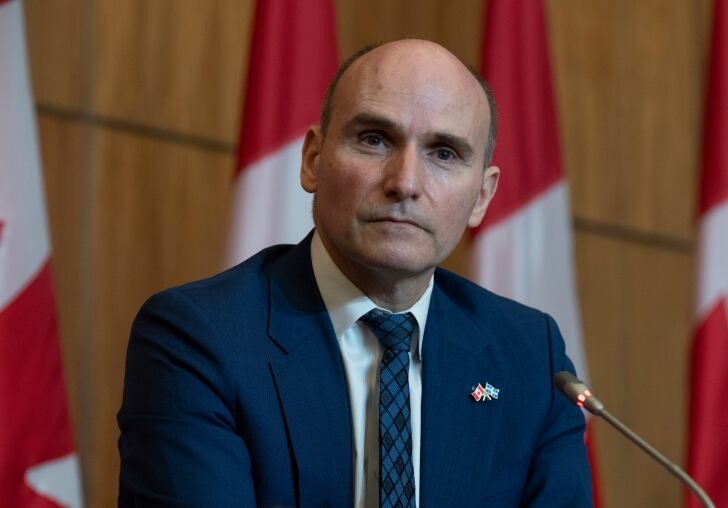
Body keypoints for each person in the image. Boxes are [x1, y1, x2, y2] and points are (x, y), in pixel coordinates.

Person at [118, 39, 592, 507]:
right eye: (375, 139)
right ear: (312, 160)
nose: (405, 182)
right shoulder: (200, 338)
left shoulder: (532, 358)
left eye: (444, 153)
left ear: (483, 197)